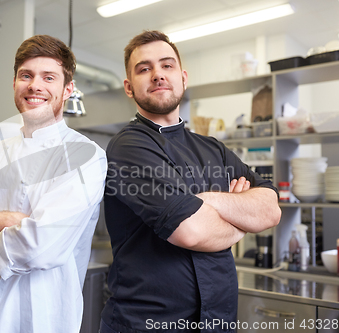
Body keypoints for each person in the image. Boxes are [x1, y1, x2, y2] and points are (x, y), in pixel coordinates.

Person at [100, 30, 281, 333]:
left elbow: (271, 211)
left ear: (183, 77)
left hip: (217, 321)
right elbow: (191, 231)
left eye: (167, 65)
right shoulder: (128, 146)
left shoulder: (214, 149)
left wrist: (208, 201)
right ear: (129, 88)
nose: (158, 74)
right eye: (145, 68)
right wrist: (242, 220)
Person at [0, 35, 107, 333]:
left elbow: (37, 248)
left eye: (48, 77)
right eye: (26, 75)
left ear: (68, 89)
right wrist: (10, 220)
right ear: (15, 83)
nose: (35, 85)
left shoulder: (86, 157)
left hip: (36, 320)